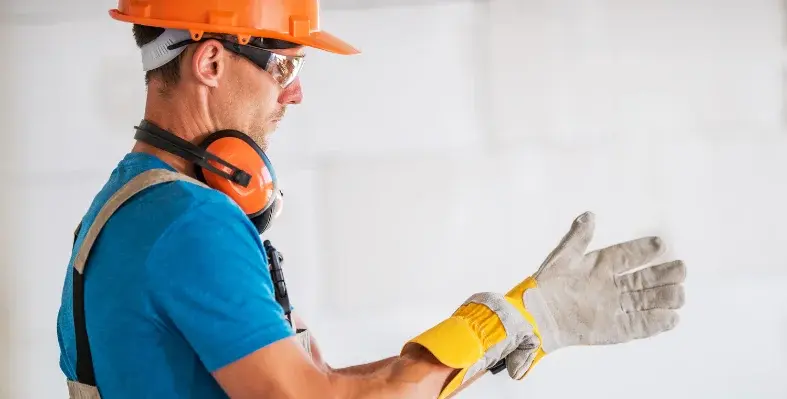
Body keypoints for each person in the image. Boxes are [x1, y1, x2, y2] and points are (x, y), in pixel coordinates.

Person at [56, 1, 688, 398]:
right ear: (212, 62)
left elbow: (323, 387)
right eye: (284, 65)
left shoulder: (132, 205)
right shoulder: (190, 226)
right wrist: (502, 322)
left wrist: (516, 324)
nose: (295, 95)